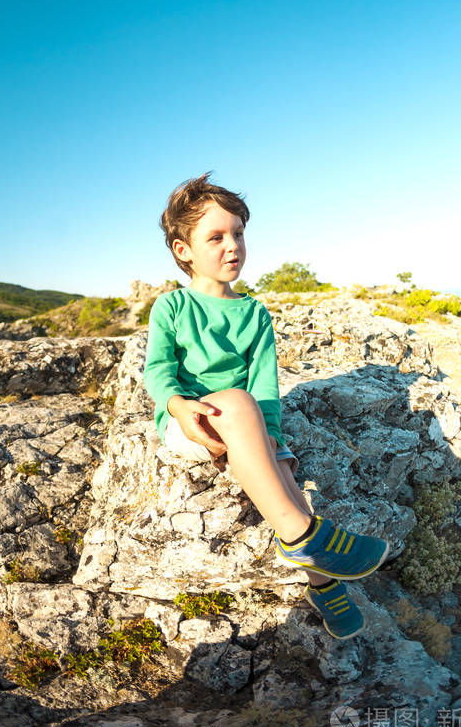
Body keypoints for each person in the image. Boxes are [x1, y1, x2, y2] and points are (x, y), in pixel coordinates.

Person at [143, 172, 388, 639]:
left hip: (244, 423)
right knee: (237, 402)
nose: (232, 245)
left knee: (285, 474)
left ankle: (324, 584)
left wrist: (271, 433)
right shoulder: (172, 307)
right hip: (192, 424)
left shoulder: (254, 312)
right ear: (183, 251)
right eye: (215, 237)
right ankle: (303, 536)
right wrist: (176, 407)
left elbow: (265, 384)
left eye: (238, 233)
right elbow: (157, 370)